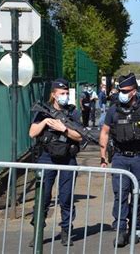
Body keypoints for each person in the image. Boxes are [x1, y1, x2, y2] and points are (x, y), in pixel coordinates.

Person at [99, 73, 140, 247]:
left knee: (137, 194)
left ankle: (135, 228)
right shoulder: (114, 109)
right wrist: (103, 157)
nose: (122, 93)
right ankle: (121, 230)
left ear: (134, 92)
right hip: (120, 157)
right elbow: (105, 132)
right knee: (120, 194)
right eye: (120, 90)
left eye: (126, 90)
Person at [28, 78, 83, 247]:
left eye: (67, 93)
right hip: (46, 157)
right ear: (53, 95)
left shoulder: (73, 112)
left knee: (66, 198)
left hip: (68, 158)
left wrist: (64, 129)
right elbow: (32, 133)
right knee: (43, 196)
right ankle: (38, 230)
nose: (65, 96)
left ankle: (66, 231)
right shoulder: (44, 111)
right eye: (62, 93)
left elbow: (80, 136)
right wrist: (45, 122)